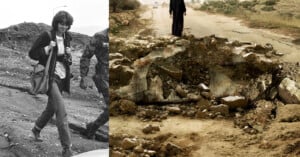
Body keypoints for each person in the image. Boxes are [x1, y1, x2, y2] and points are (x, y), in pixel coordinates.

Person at [29, 11, 74, 157]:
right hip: (50, 77)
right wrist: (47, 48)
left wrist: (69, 54)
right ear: (56, 23)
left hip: (62, 77)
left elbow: (67, 61)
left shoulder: (67, 37)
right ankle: (67, 149)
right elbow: (32, 53)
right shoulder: (46, 36)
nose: (64, 27)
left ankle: (36, 129)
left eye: (66, 24)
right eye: (61, 23)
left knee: (51, 107)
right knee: (61, 111)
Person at [79, 29, 109, 139]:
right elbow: (86, 56)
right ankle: (92, 129)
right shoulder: (99, 36)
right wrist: (84, 76)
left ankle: (93, 126)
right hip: (103, 77)